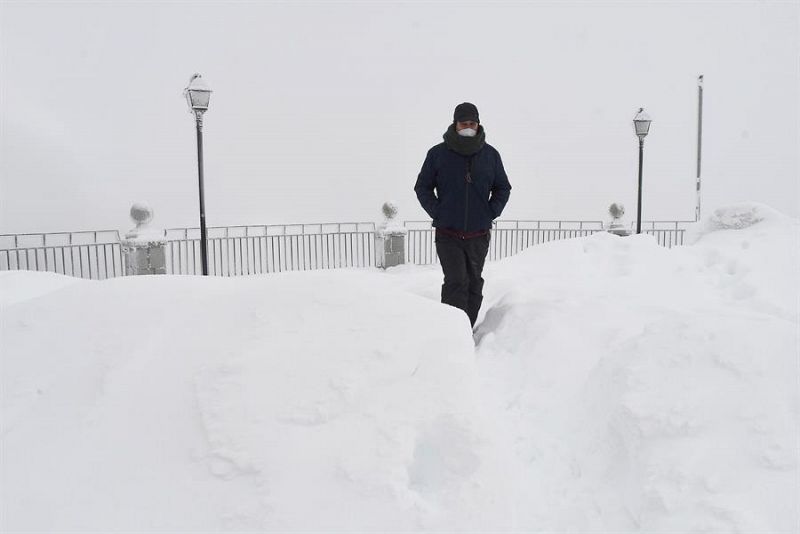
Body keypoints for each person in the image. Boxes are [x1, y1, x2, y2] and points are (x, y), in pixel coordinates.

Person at [414, 102, 512, 328]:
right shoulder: (437, 154)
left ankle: (467, 328)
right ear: (455, 124)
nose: (468, 127)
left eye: (472, 123)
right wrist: (438, 211)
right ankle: (452, 331)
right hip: (448, 233)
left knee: (474, 283)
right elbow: (422, 187)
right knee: (456, 282)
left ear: (478, 125)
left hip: (478, 233)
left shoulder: (490, 155)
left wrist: (491, 211)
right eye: (464, 123)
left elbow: (503, 187)